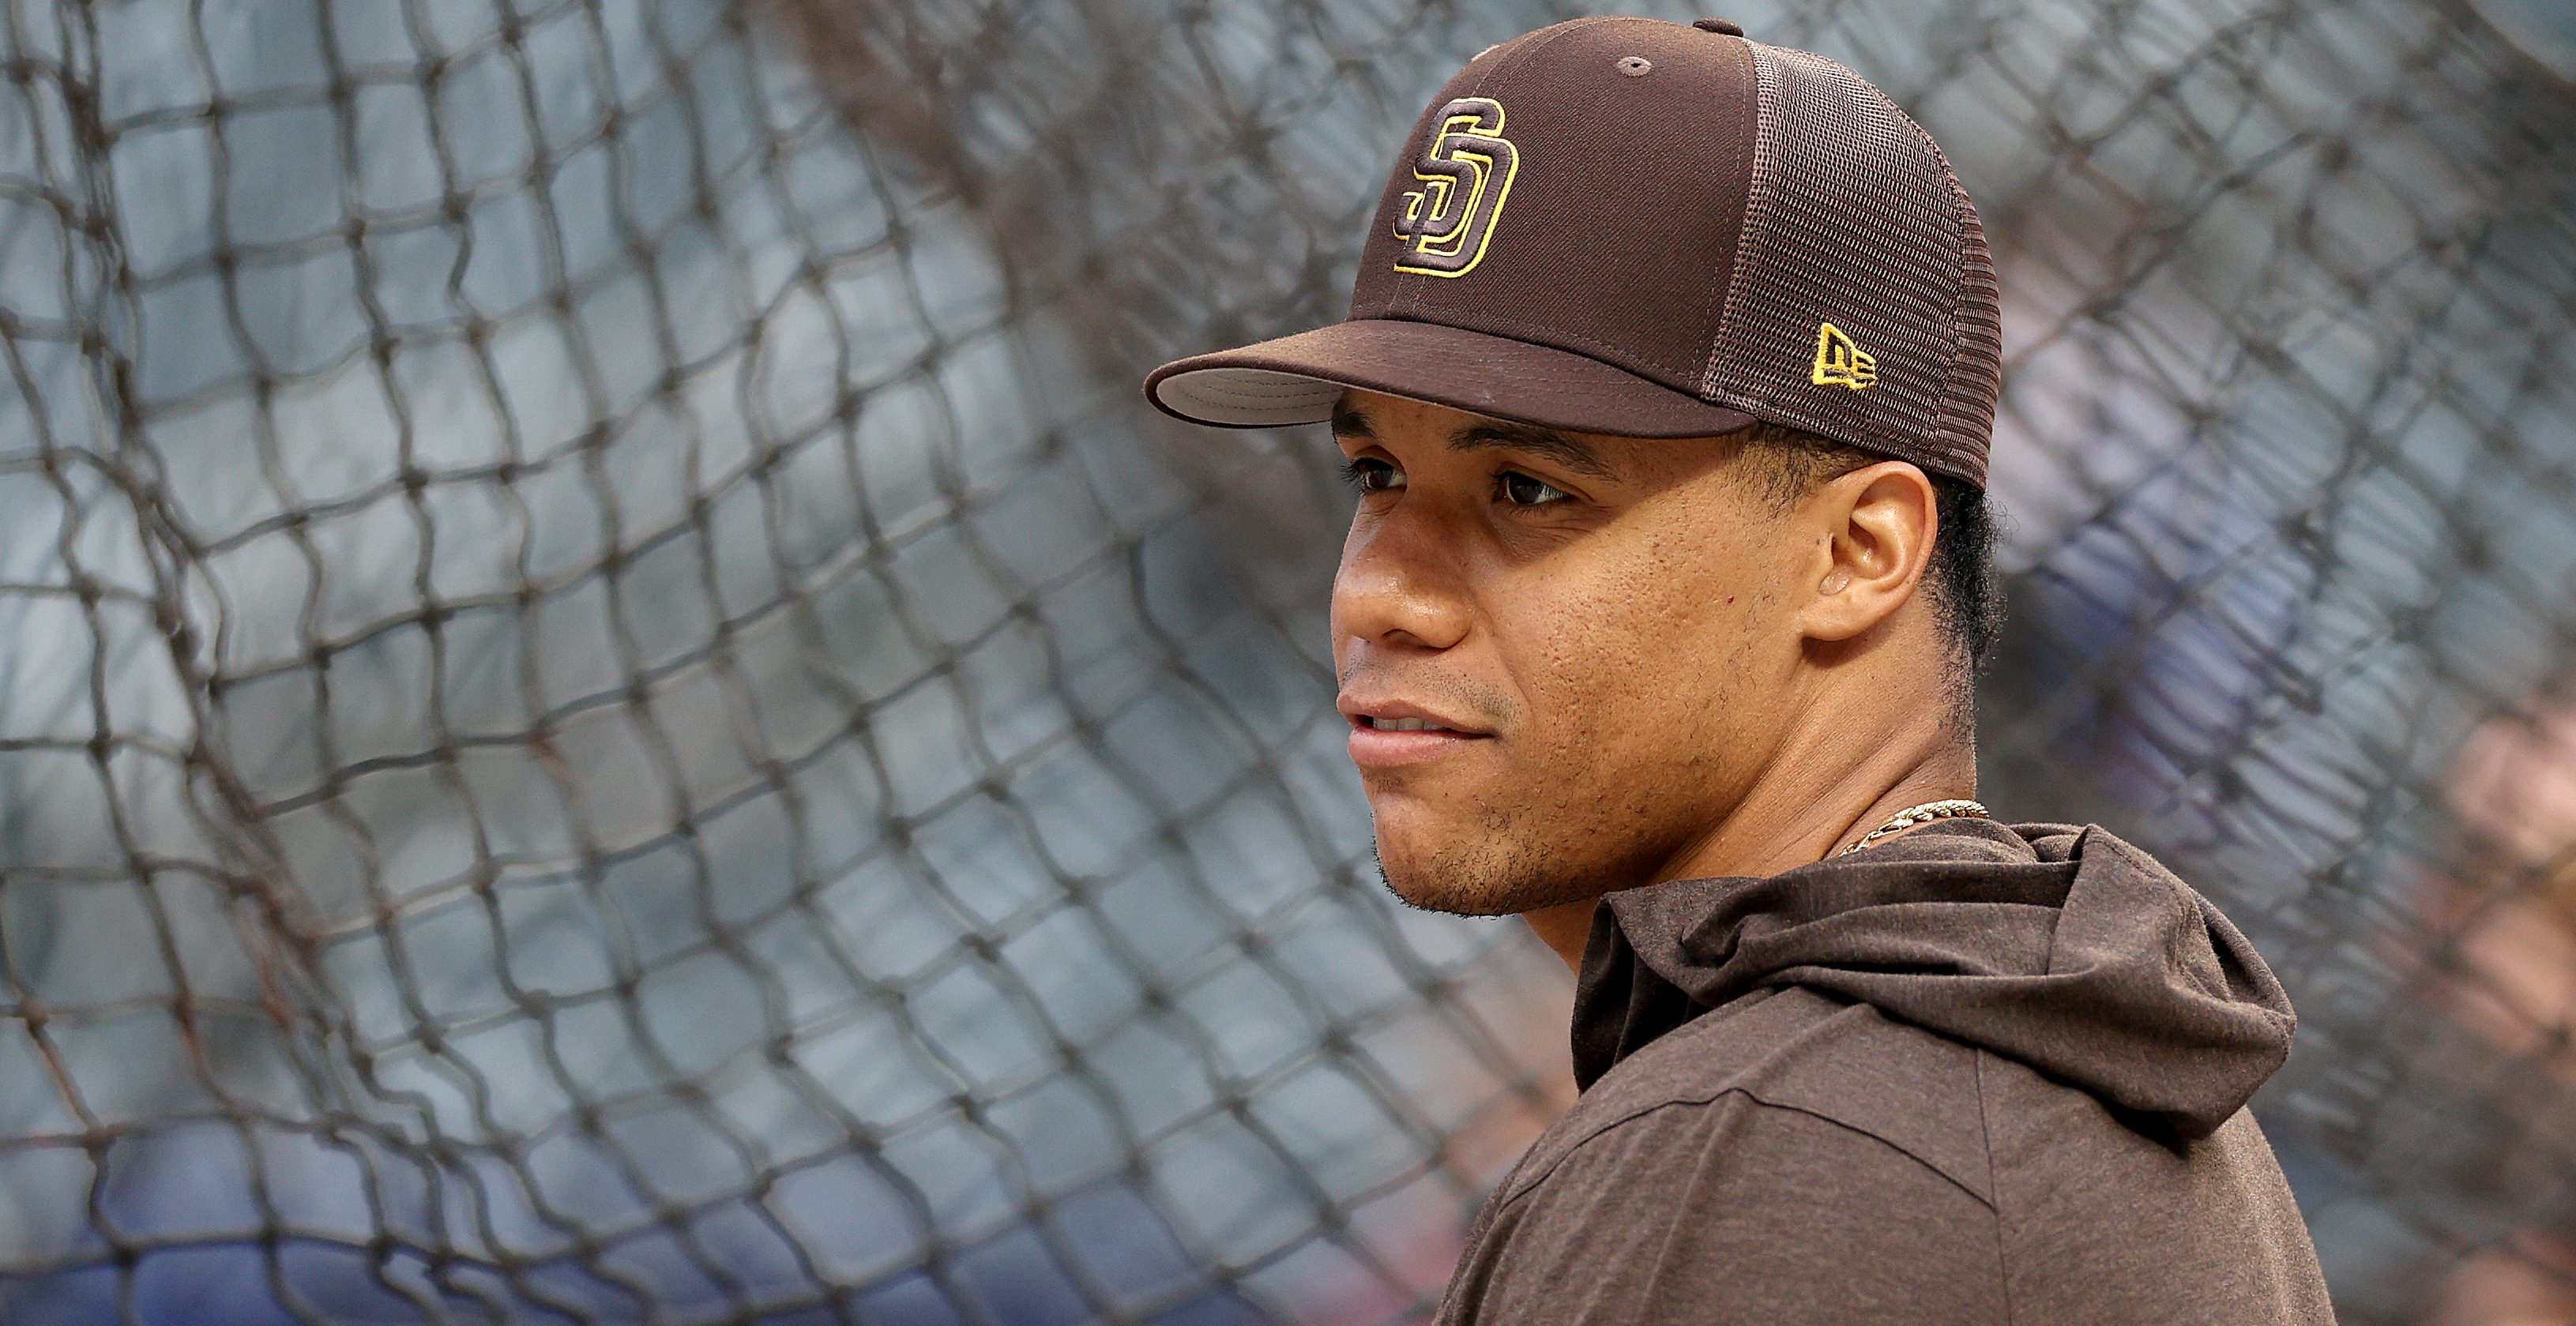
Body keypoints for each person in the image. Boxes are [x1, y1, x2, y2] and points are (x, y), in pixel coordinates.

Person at [1144, 15, 2333, 1324]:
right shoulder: (1986, 1058)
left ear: (1854, 552)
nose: (1379, 592)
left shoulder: (1774, 1150)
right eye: (1375, 475)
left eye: (1529, 487)